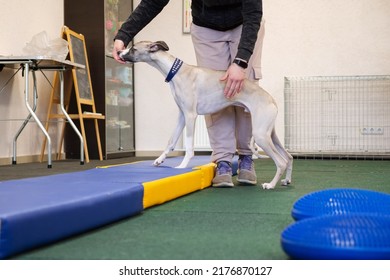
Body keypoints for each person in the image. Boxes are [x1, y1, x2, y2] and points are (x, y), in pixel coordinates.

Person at [112, 0, 265, 187]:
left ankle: (246, 157)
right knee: (212, 92)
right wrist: (123, 35)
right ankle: (223, 160)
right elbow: (153, 1)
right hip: (206, 28)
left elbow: (253, 10)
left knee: (243, 88)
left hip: (244, 21)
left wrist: (241, 61)